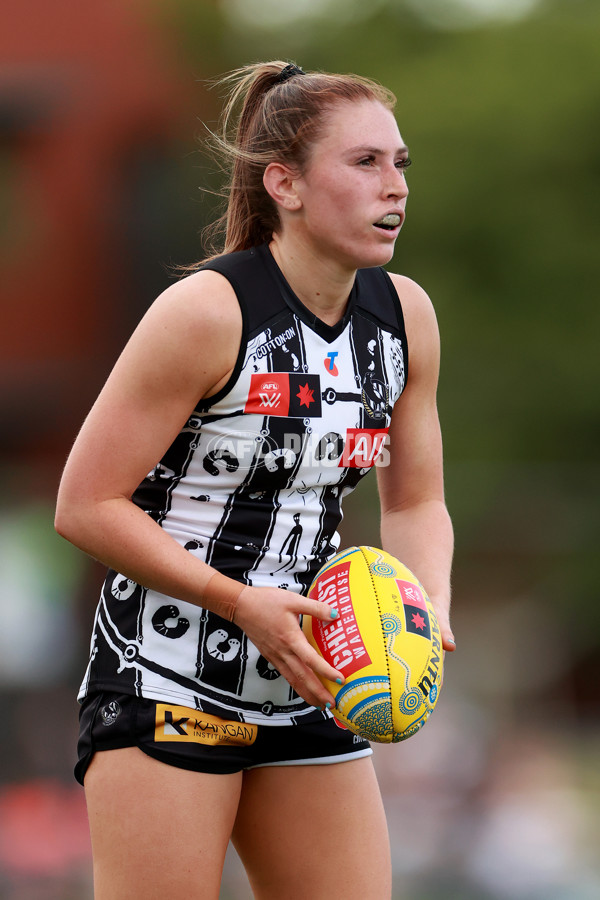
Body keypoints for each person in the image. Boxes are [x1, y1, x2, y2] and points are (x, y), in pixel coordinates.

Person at [55, 60, 455, 900]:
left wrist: (424, 609)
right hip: (166, 676)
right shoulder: (206, 312)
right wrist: (240, 604)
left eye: (401, 164)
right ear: (286, 184)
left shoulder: (405, 317)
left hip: (315, 680)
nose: (396, 187)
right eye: (366, 163)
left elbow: (416, 498)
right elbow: (85, 505)